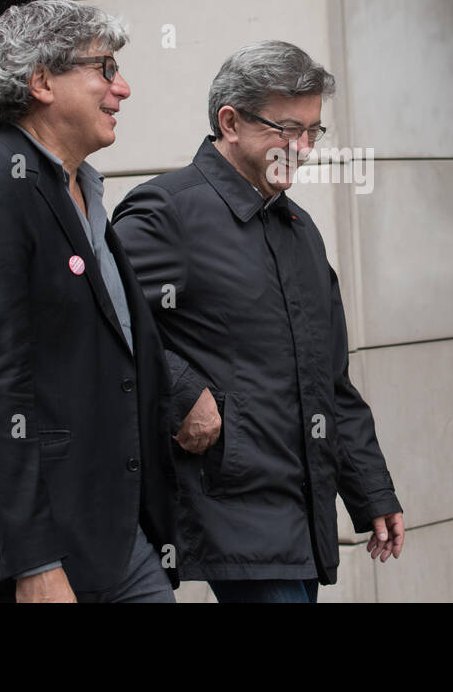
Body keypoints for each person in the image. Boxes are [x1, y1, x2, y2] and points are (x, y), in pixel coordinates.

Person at [112, 39, 404, 603]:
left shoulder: (300, 228)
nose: (303, 147)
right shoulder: (165, 211)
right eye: (286, 129)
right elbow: (104, 322)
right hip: (230, 504)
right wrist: (182, 393)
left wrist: (370, 489)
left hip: (301, 509)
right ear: (230, 121)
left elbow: (329, 379)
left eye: (314, 131)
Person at [0, 0, 179, 603]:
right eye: (104, 68)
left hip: (111, 533)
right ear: (40, 82)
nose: (123, 88)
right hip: (14, 553)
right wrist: (33, 562)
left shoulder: (85, 189)